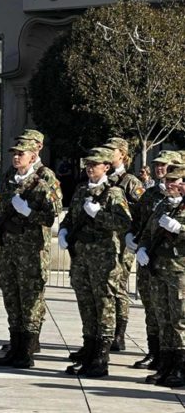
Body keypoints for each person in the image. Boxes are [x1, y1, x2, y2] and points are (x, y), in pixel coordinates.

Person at [59, 147, 131, 378]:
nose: (89, 168)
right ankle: (89, 349)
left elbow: (124, 223)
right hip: (81, 258)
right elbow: (69, 218)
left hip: (104, 259)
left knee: (105, 305)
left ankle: (101, 355)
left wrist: (98, 214)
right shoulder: (81, 191)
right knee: (86, 304)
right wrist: (63, 231)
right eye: (87, 164)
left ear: (106, 167)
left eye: (95, 164)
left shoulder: (114, 193)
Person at [0, 140, 59, 369]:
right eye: (14, 153)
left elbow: (51, 216)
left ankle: (27, 351)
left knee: (30, 300)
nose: (16, 157)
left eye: (21, 153)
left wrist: (29, 212)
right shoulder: (10, 180)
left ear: (33, 156)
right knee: (11, 296)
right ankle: (15, 346)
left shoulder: (41, 183)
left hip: (31, 251)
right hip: (10, 249)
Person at [126, 151, 181, 370]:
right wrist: (135, 241)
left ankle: (174, 362)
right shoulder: (153, 198)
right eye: (158, 166)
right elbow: (140, 223)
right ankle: (156, 354)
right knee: (155, 310)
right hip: (151, 264)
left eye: (166, 167)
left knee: (176, 317)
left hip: (176, 267)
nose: (161, 170)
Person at [136, 163, 185, 387]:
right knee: (163, 318)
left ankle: (181, 367)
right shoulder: (163, 205)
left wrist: (180, 229)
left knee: (180, 320)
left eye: (174, 181)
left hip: (180, 272)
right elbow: (147, 232)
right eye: (168, 181)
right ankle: (166, 363)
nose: (169, 184)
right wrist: (142, 248)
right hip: (158, 269)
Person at [103, 137, 145, 352]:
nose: (108, 154)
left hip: (122, 241)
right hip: (102, 243)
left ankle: (119, 334)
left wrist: (133, 236)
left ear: (123, 154)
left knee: (118, 287)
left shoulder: (130, 182)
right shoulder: (102, 177)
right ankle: (104, 332)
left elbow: (142, 211)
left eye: (112, 150)